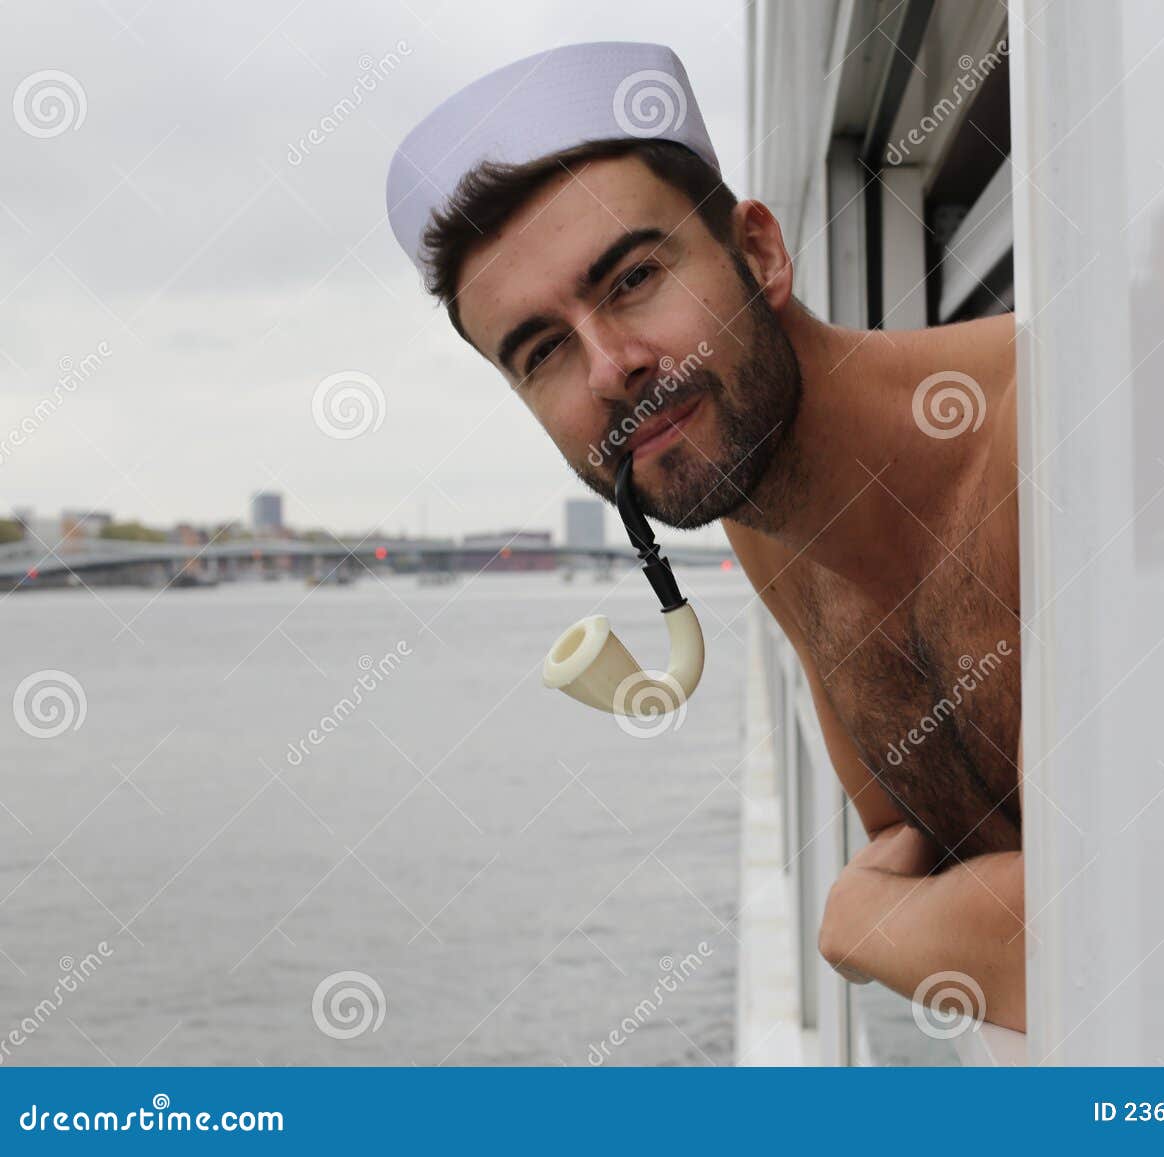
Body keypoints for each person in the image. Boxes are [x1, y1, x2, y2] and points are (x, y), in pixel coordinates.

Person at [386, 42, 1028, 1032]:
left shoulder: (1050, 434)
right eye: (543, 350)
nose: (610, 368)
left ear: (761, 251)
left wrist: (865, 929)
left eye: (633, 278)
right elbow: (916, 831)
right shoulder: (763, 518)